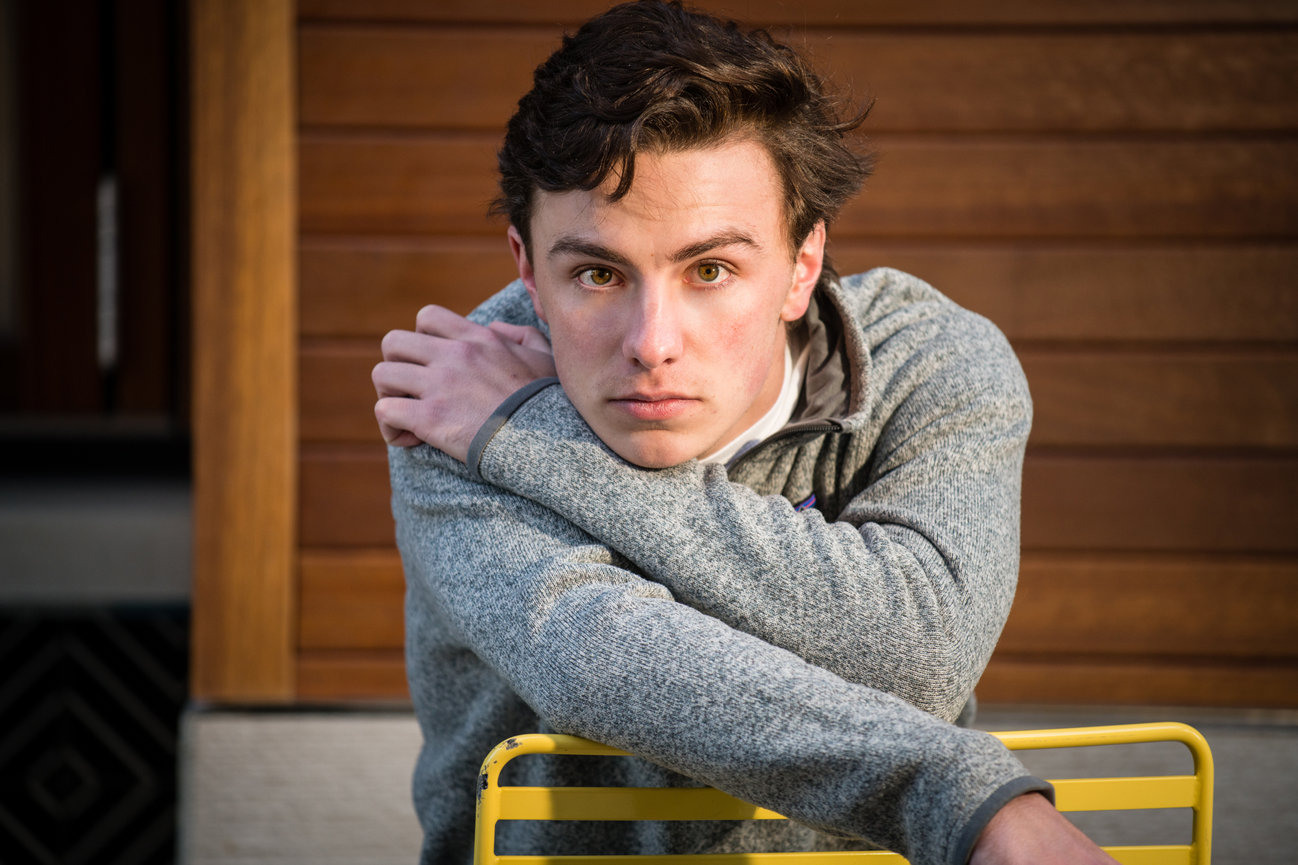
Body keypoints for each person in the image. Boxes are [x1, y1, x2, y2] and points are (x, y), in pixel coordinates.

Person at [372, 2, 1119, 863]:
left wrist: (534, 434)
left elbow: (920, 654)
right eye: (598, 274)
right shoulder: (451, 398)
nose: (652, 343)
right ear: (529, 271)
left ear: (802, 265)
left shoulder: (928, 361)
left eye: (711, 268)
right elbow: (601, 657)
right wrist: (970, 805)